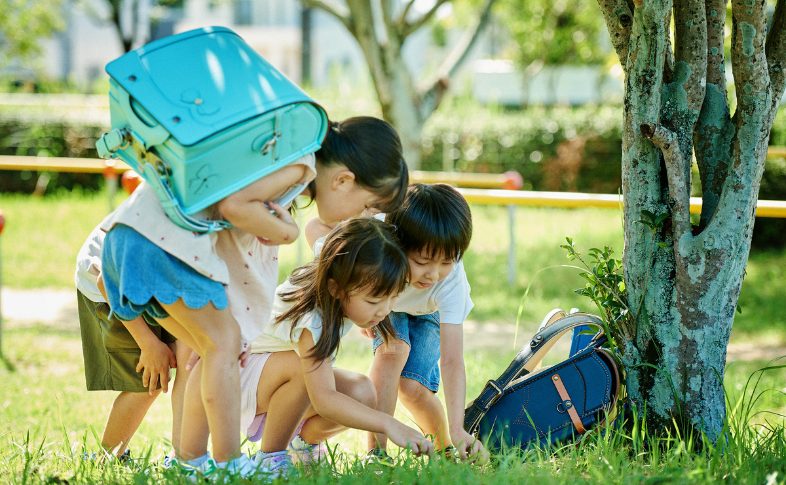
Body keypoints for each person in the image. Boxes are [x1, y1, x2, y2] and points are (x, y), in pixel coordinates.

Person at [183, 217, 434, 479]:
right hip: (233, 379)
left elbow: (335, 238)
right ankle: (271, 458)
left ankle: (303, 446)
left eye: (392, 298)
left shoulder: (335, 269)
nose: (384, 311)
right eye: (373, 301)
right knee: (303, 369)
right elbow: (324, 399)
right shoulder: (312, 321)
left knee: (361, 391)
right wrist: (389, 424)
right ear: (336, 288)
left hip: (261, 375)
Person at [365, 184, 489, 462]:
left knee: (412, 387)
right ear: (396, 244)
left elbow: (452, 360)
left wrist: (459, 429)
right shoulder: (377, 241)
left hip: (429, 310)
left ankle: (446, 448)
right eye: (422, 261)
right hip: (388, 299)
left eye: (446, 261)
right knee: (392, 352)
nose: (433, 274)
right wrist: (364, 310)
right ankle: (377, 454)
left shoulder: (451, 281)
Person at [75, 221, 191, 460]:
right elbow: (107, 281)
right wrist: (148, 343)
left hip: (155, 280)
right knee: (150, 381)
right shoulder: (155, 229)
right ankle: (108, 456)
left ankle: (184, 455)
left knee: (189, 355)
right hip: (110, 287)